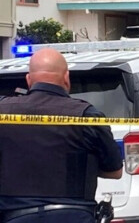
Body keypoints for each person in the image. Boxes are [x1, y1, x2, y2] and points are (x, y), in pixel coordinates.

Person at [0, 48, 123, 223]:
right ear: (66, 77)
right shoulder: (86, 115)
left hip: (15, 217)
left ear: (28, 80)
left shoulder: (3, 112)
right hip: (74, 216)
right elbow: (115, 171)